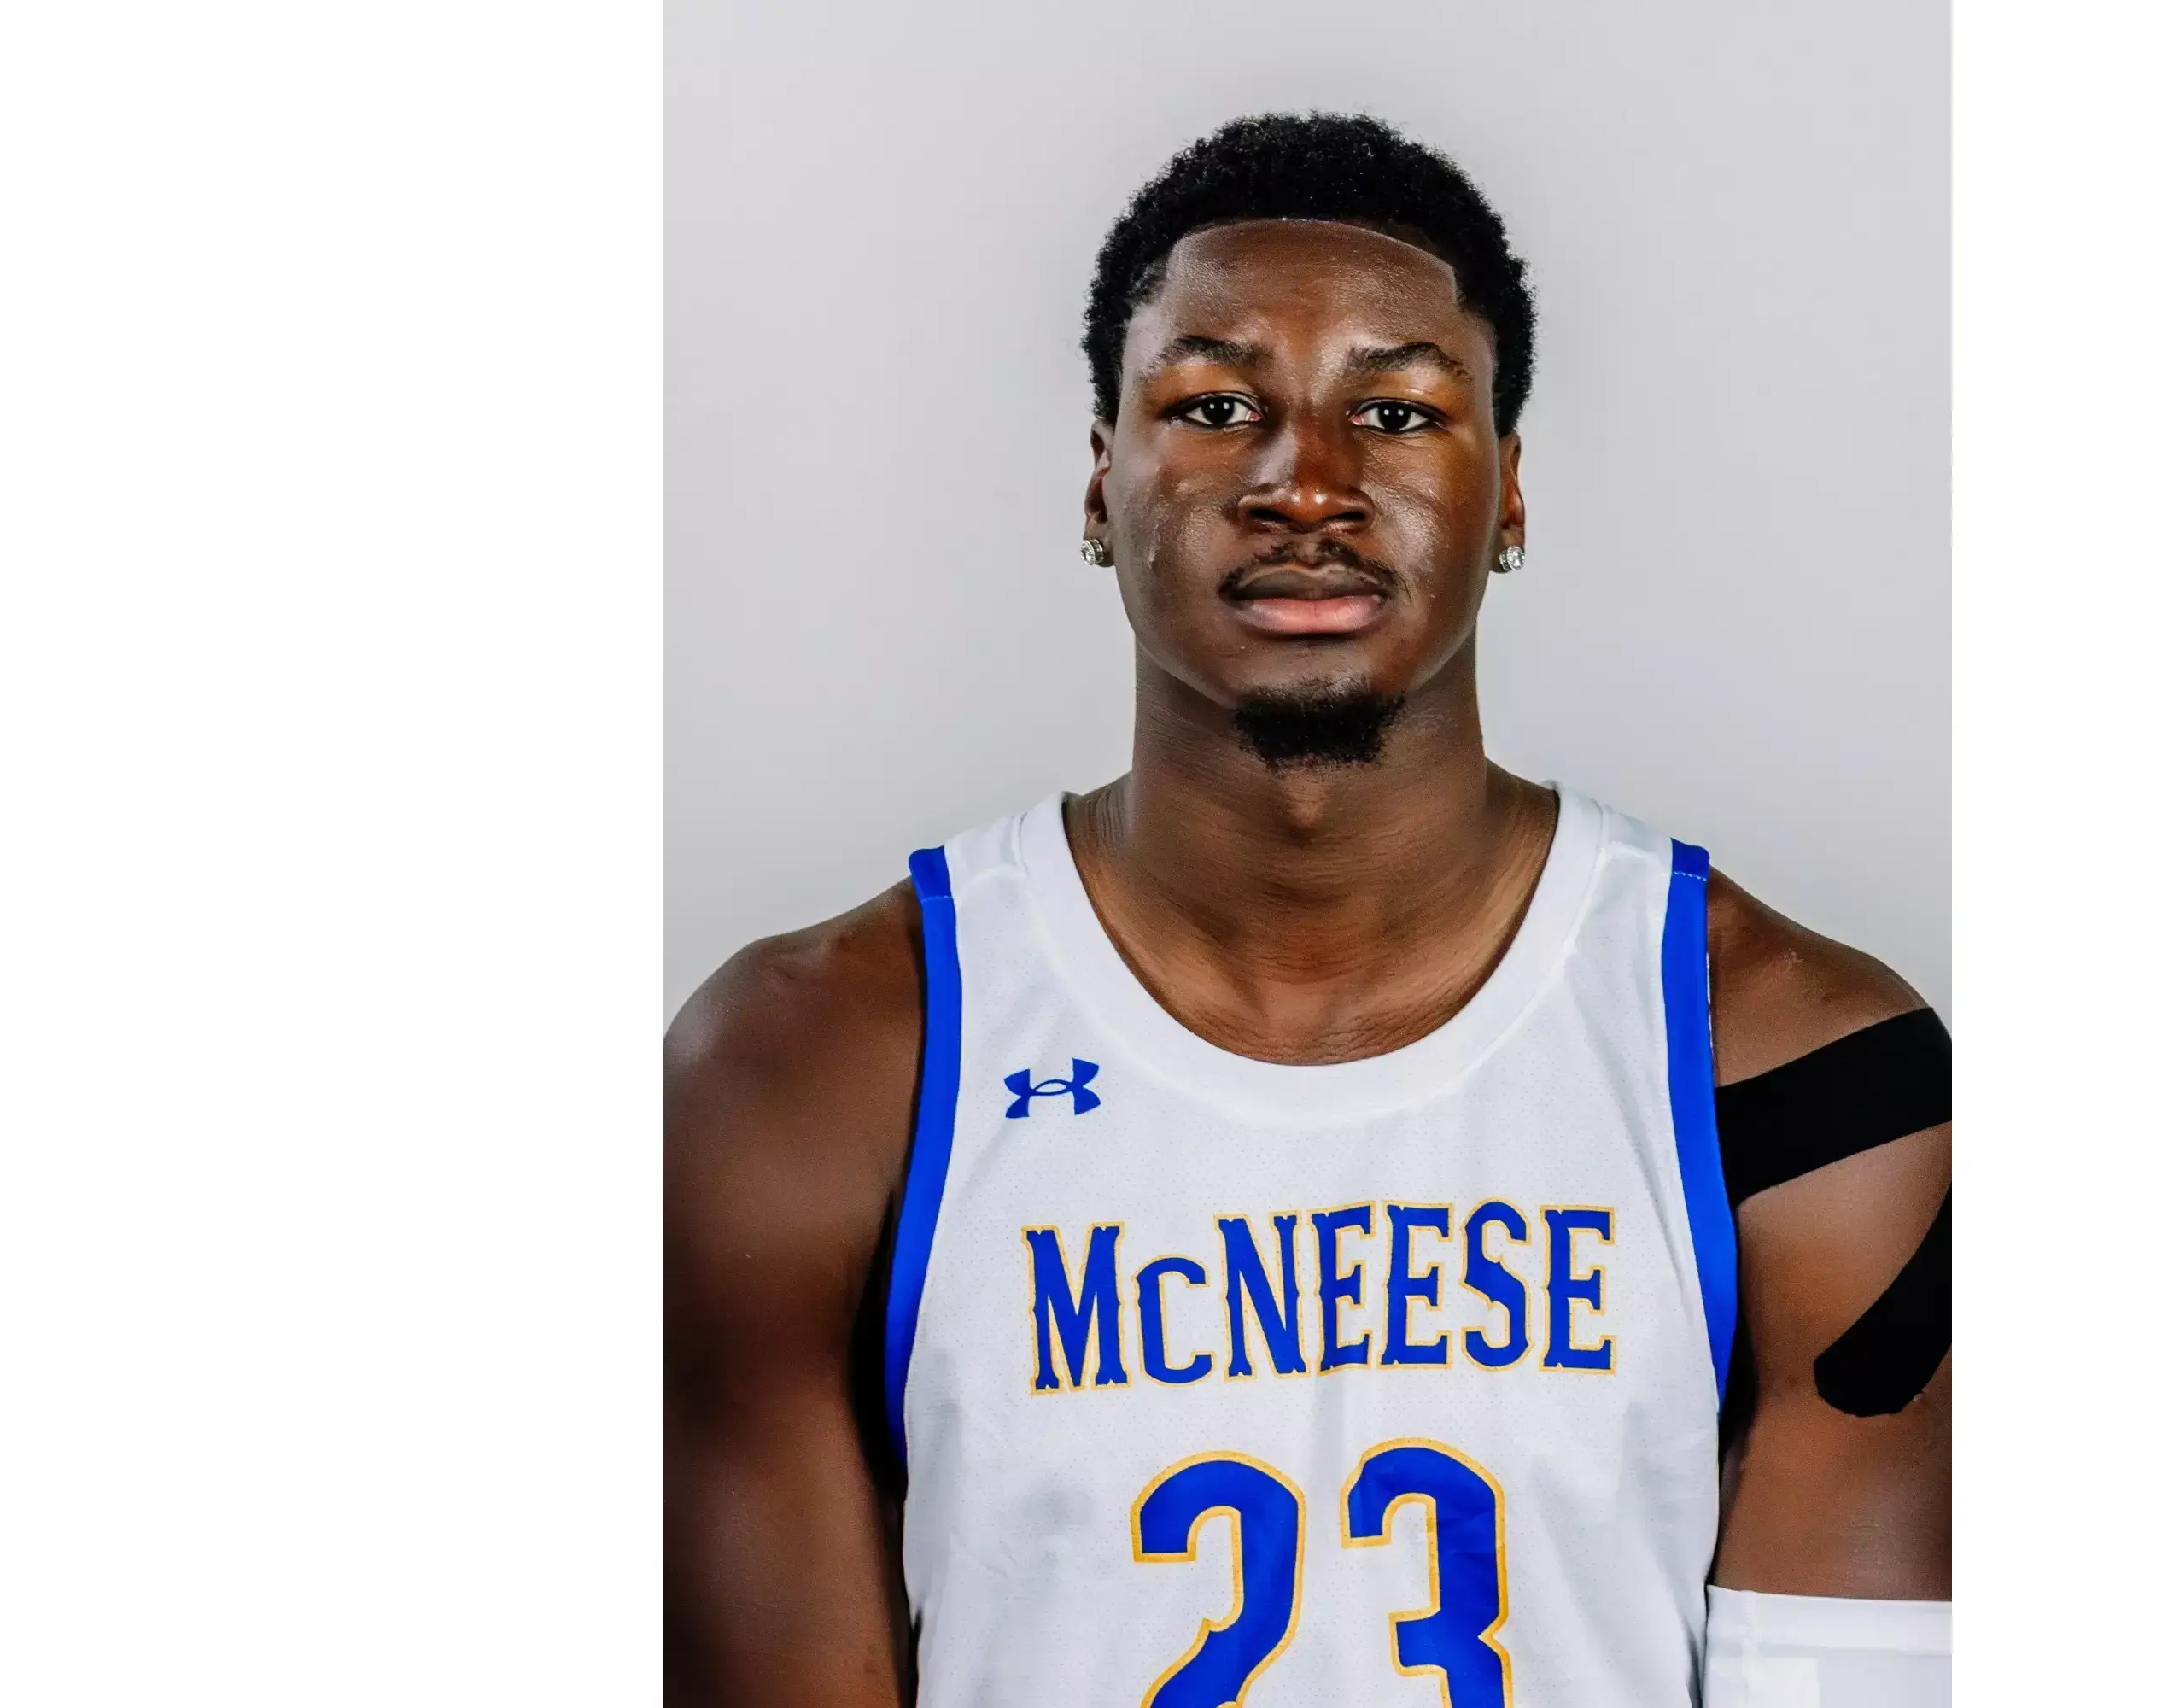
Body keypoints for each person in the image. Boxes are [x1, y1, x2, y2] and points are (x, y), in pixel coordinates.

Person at [668, 113, 1951, 1707]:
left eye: (1396, 412)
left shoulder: (1806, 1075)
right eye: (1215, 407)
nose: (1307, 485)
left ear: (1509, 492)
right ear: (1100, 480)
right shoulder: (812, 1069)